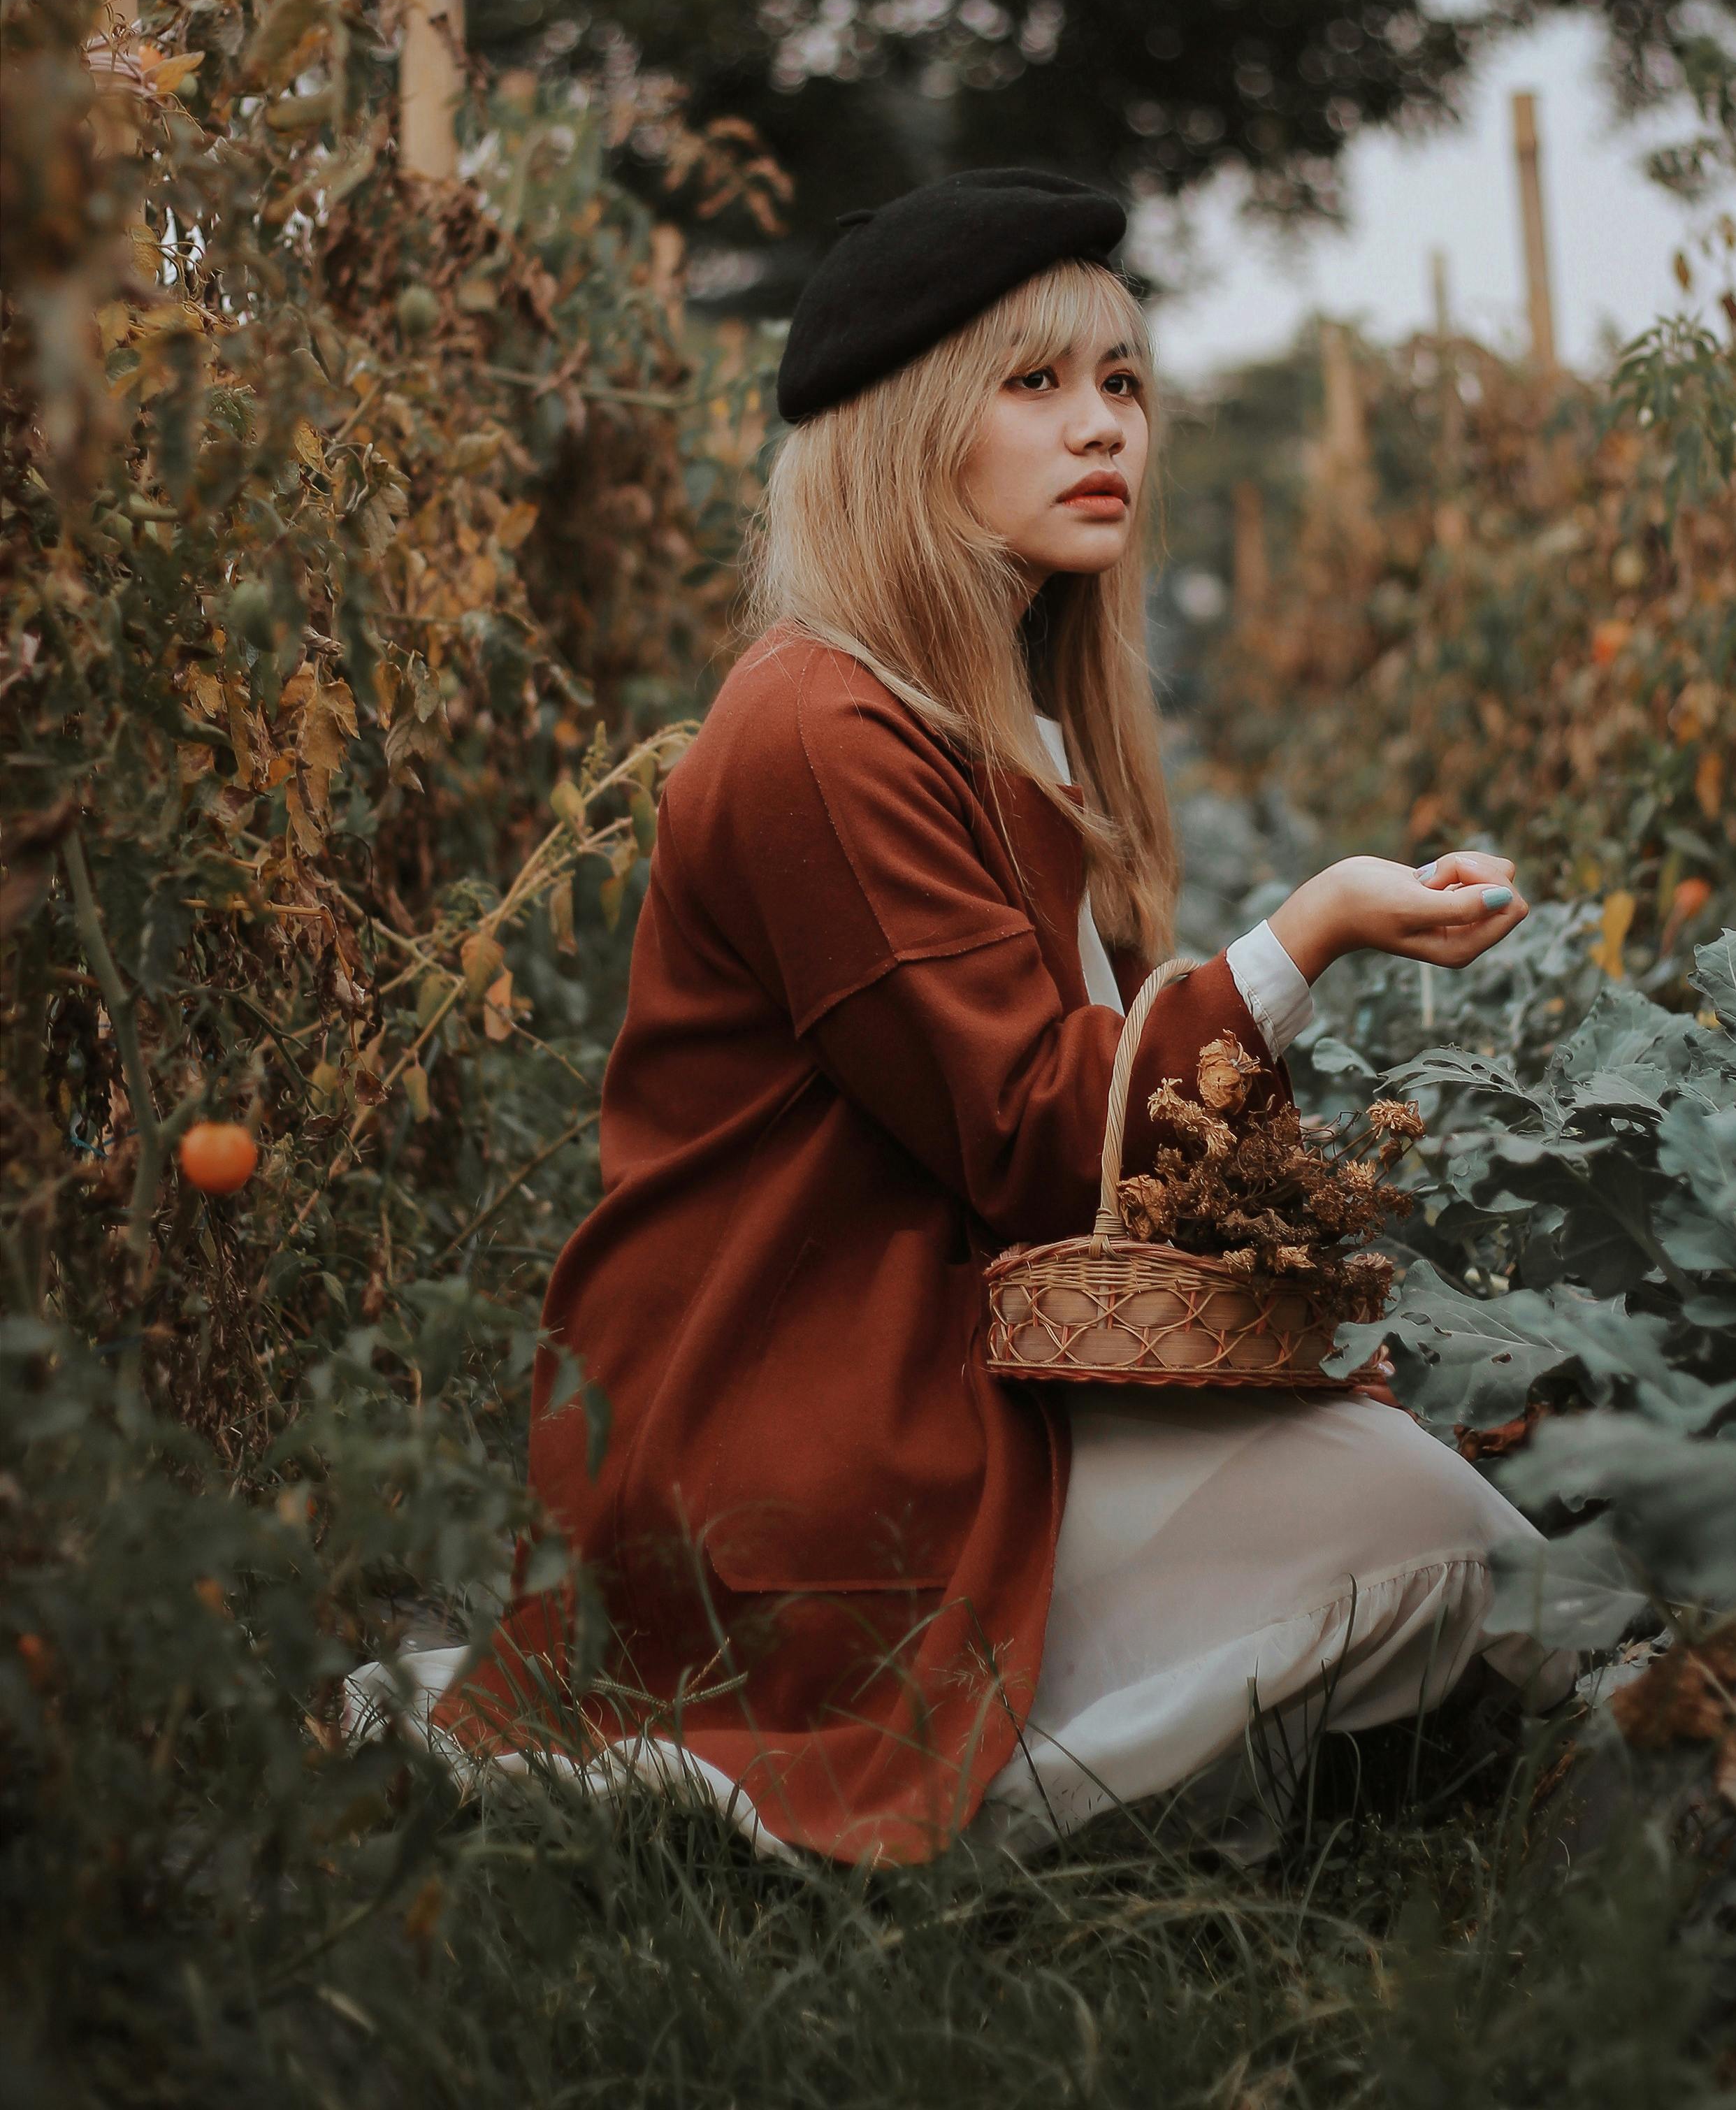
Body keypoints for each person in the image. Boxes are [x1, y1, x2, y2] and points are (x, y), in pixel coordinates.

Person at [423, 168, 1566, 1862]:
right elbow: (1041, 1136)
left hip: (942, 1360)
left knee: (1431, 1524)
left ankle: (1124, 1746)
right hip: (786, 1414)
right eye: (1029, 386)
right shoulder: (819, 728)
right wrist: (1308, 930)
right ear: (900, 430)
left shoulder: (992, 719)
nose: (1098, 429)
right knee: (1429, 1546)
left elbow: (1096, 1182)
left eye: (1118, 384)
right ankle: (945, 1819)